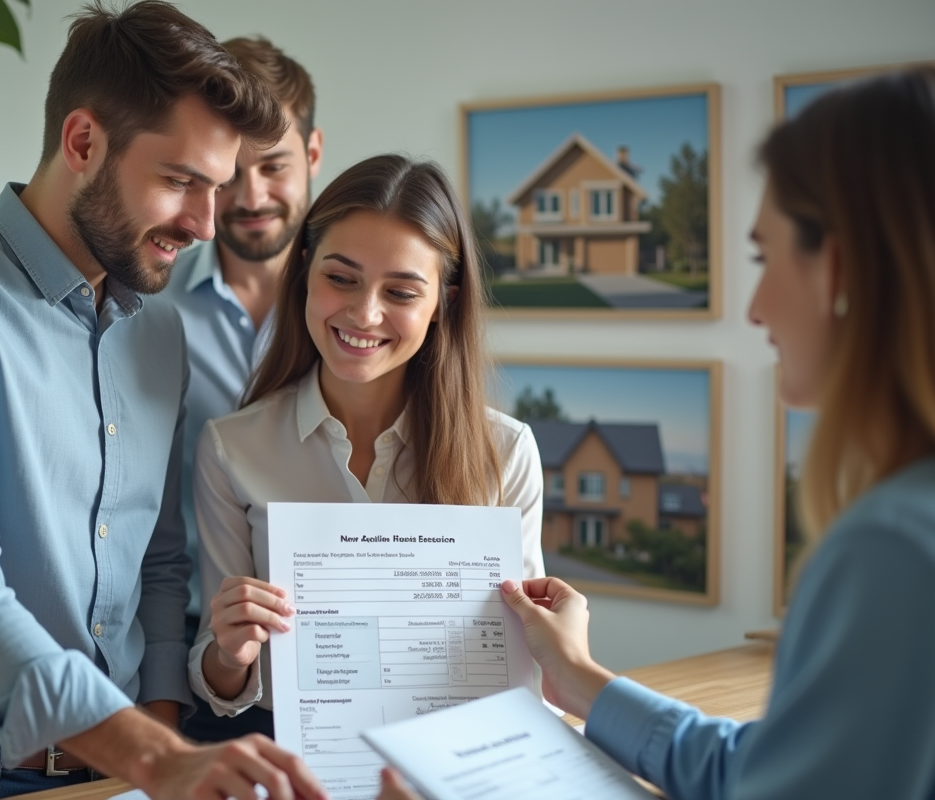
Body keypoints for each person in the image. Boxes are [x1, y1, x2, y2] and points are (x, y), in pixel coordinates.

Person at [381, 65, 935, 800]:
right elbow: (760, 767)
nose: (755, 308)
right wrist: (578, 678)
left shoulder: (893, 547)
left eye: (765, 258)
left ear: (839, 268)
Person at [0, 3, 327, 799]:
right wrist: (155, 757)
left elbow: (159, 562)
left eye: (217, 187)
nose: (206, 224)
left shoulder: (156, 331)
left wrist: (156, 748)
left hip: (113, 775)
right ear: (84, 142)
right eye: (180, 182)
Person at [187, 154, 546, 732]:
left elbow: (529, 665)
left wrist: (559, 647)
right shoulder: (232, 448)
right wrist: (230, 654)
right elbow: (221, 684)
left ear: (444, 304)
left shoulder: (506, 453)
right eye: (341, 278)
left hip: (451, 753)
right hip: (279, 751)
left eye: (401, 292)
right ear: (305, 271)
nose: (364, 313)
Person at [160, 36, 323, 741]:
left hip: (338, 646)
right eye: (231, 173)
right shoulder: (147, 306)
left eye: (275, 167)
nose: (252, 197)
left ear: (313, 153)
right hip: (187, 653)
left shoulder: (360, 315)